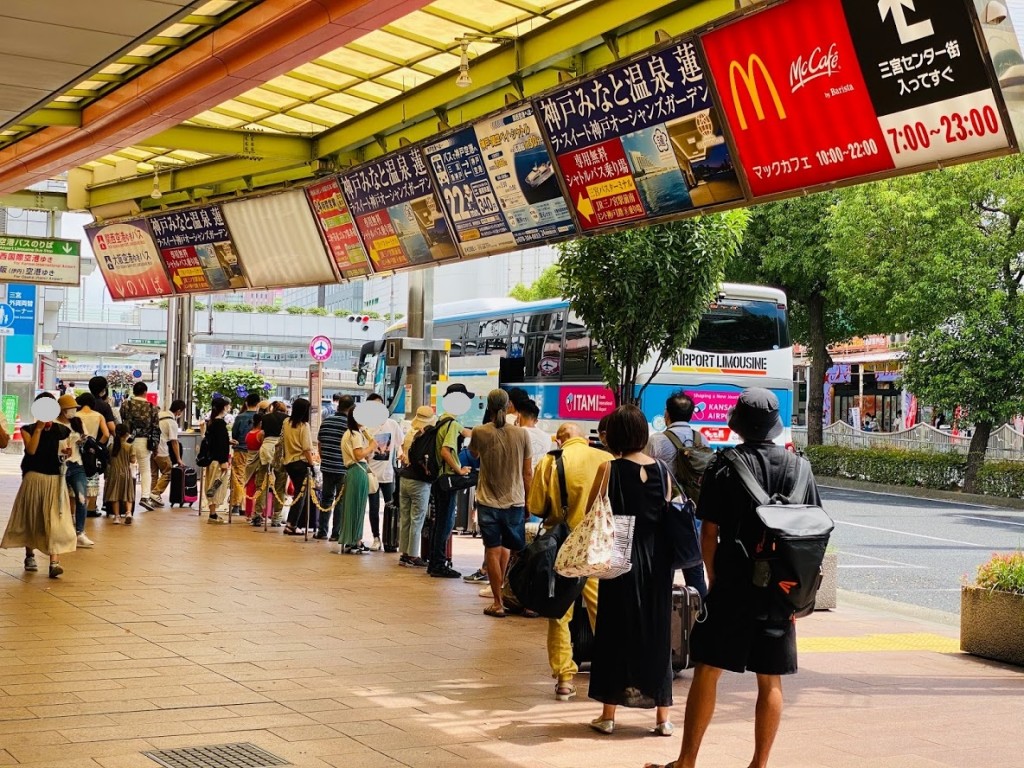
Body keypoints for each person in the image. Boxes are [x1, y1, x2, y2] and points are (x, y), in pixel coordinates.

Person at [646, 388, 822, 768]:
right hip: (779, 590)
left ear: (738, 423)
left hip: (733, 586)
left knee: (708, 669)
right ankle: (758, 764)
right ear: (774, 425)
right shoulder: (800, 468)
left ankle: (687, 761)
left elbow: (708, 534)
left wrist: (714, 581)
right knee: (770, 678)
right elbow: (813, 529)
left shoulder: (724, 466)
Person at [586, 405, 680, 737]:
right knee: (657, 634)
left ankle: (608, 715)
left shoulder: (608, 469)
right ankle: (663, 718)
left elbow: (592, 514)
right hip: (658, 564)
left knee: (614, 632)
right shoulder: (664, 471)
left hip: (619, 560)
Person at [527, 422, 612, 701]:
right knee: (604, 610)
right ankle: (614, 673)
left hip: (563, 546)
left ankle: (564, 679)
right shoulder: (606, 459)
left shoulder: (551, 462)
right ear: (584, 440)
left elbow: (536, 507)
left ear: (560, 440)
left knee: (560, 612)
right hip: (597, 545)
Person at [470, 389, 533, 617]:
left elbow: (474, 455)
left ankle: (498, 602)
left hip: (487, 501)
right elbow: (528, 473)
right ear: (509, 407)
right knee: (510, 550)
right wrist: (529, 501)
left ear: (488, 406)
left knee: (493, 551)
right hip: (514, 501)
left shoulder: (480, 432)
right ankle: (511, 594)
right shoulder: (522, 434)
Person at [1, 393, 76, 578]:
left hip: (55, 480)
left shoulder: (63, 430)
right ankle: (29, 555)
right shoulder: (28, 429)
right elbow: (31, 450)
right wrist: (39, 429)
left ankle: (54, 562)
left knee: (55, 521)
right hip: (33, 478)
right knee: (31, 517)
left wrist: (68, 452)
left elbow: (65, 453)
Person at [644, 391, 709, 599]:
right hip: (693, 512)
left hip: (665, 512)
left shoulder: (657, 440)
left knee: (663, 570)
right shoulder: (702, 439)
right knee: (695, 571)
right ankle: (702, 621)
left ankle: (662, 621)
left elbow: (645, 472)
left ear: (666, 414)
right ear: (691, 414)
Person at [427, 383, 474, 578]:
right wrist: (460, 470)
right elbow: (445, 450)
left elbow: (468, 434)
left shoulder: (442, 421)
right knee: (445, 522)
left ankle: (434, 562)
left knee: (441, 522)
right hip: (447, 479)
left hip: (438, 479)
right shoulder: (452, 424)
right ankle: (438, 564)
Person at [397, 405, 435, 568]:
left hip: (404, 478)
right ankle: (413, 555)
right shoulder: (424, 436)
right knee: (417, 518)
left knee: (405, 517)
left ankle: (404, 553)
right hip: (419, 482)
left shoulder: (409, 434)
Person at [366, 392, 404, 552]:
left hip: (388, 474)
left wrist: (402, 454)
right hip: (371, 474)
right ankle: (376, 537)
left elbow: (399, 444)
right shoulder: (366, 426)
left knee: (391, 507)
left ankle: (391, 538)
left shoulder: (392, 424)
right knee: (373, 508)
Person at [56, 395, 93, 548]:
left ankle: (80, 532)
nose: (72, 411)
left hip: (77, 464)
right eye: (69, 409)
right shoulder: (53, 424)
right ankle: (59, 532)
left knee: (81, 498)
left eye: (74, 409)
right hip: (59, 466)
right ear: (61, 410)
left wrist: (83, 440)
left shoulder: (77, 422)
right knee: (59, 500)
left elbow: (87, 437)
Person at [339, 409, 378, 553]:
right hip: (358, 471)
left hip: (352, 471)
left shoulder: (349, 433)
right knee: (358, 507)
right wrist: (371, 447)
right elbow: (358, 454)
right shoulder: (355, 434)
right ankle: (355, 539)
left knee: (352, 506)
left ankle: (353, 539)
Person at [316, 395, 352, 540]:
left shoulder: (327, 421)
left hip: (327, 466)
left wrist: (324, 458)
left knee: (326, 499)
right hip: (343, 468)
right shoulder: (349, 425)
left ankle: (322, 531)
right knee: (340, 501)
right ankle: (336, 533)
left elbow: (320, 443)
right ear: (350, 409)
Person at [120, 381, 159, 510]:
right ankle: (145, 497)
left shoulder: (126, 404)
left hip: (127, 440)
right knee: (145, 469)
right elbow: (155, 428)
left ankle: (127, 496)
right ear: (145, 392)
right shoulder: (152, 407)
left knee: (129, 468)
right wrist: (156, 447)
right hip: (144, 441)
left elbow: (122, 419)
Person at [282, 398, 316, 535]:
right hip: (300, 463)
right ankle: (292, 524)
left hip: (288, 462)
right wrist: (312, 464)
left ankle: (293, 523)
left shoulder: (286, 422)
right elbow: (307, 448)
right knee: (300, 495)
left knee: (297, 493)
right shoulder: (304, 426)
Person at [252, 400, 289, 527]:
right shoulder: (287, 419)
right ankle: (277, 517)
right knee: (280, 484)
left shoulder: (265, 418)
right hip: (280, 451)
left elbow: (262, 434)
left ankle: (257, 514)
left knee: (261, 483)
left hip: (266, 449)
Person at [149, 399, 186, 506]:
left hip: (152, 449)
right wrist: (178, 459)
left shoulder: (159, 415)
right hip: (162, 450)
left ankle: (153, 500)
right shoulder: (172, 422)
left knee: (154, 475)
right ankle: (155, 493)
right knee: (168, 472)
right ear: (178, 411)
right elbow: (174, 442)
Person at [229, 393, 261, 516]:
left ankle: (237, 505)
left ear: (246, 403)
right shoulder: (260, 418)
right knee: (254, 479)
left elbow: (234, 434)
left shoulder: (240, 417)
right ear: (258, 403)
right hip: (256, 452)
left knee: (238, 476)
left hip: (240, 449)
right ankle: (250, 507)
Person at [203, 397, 232, 523]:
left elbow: (214, 441)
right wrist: (224, 461)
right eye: (228, 406)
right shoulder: (220, 423)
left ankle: (212, 513)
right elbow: (220, 444)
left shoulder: (211, 422)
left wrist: (228, 441)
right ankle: (213, 514)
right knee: (216, 487)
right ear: (224, 407)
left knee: (212, 485)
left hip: (212, 460)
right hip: (219, 461)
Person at [104, 423, 136, 525]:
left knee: (115, 495)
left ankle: (117, 517)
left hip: (114, 473)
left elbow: (109, 461)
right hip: (125, 472)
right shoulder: (129, 446)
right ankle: (128, 513)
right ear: (127, 434)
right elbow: (132, 460)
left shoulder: (111, 446)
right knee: (128, 493)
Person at [519, 399, 553, 470]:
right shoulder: (547, 437)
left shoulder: (518, 433)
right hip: (541, 478)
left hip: (524, 478)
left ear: (519, 416)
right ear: (536, 421)